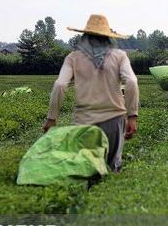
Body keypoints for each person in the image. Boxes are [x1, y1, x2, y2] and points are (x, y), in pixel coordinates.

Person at [43, 14, 139, 172]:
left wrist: (52, 118)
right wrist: (132, 116)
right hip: (113, 121)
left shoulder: (73, 58)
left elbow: (60, 85)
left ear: (85, 37)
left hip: (83, 122)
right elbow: (132, 82)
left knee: (85, 169)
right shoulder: (119, 56)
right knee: (112, 168)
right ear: (108, 38)